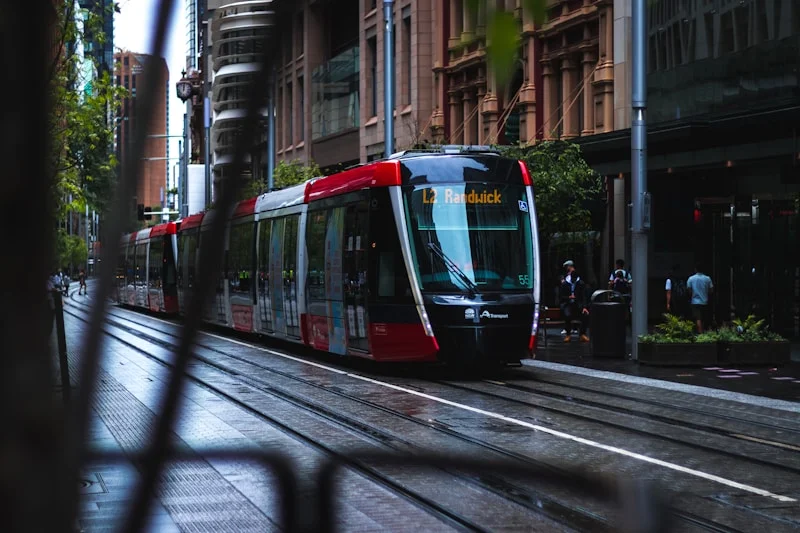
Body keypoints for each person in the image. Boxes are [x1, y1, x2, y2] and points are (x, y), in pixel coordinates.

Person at [559, 265, 590, 343]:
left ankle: (582, 334)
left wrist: (584, 307)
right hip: (568, 303)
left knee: (585, 314)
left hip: (577, 303)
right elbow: (561, 296)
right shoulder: (565, 284)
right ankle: (568, 334)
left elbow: (584, 296)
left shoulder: (580, 283)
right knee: (567, 315)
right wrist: (569, 297)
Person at [687, 263, 714, 333]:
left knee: (697, 318)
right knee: (704, 318)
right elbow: (711, 290)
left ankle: (700, 333)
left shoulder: (691, 279)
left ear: (695, 269)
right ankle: (704, 331)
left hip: (695, 301)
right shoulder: (708, 278)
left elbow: (689, 291)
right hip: (705, 301)